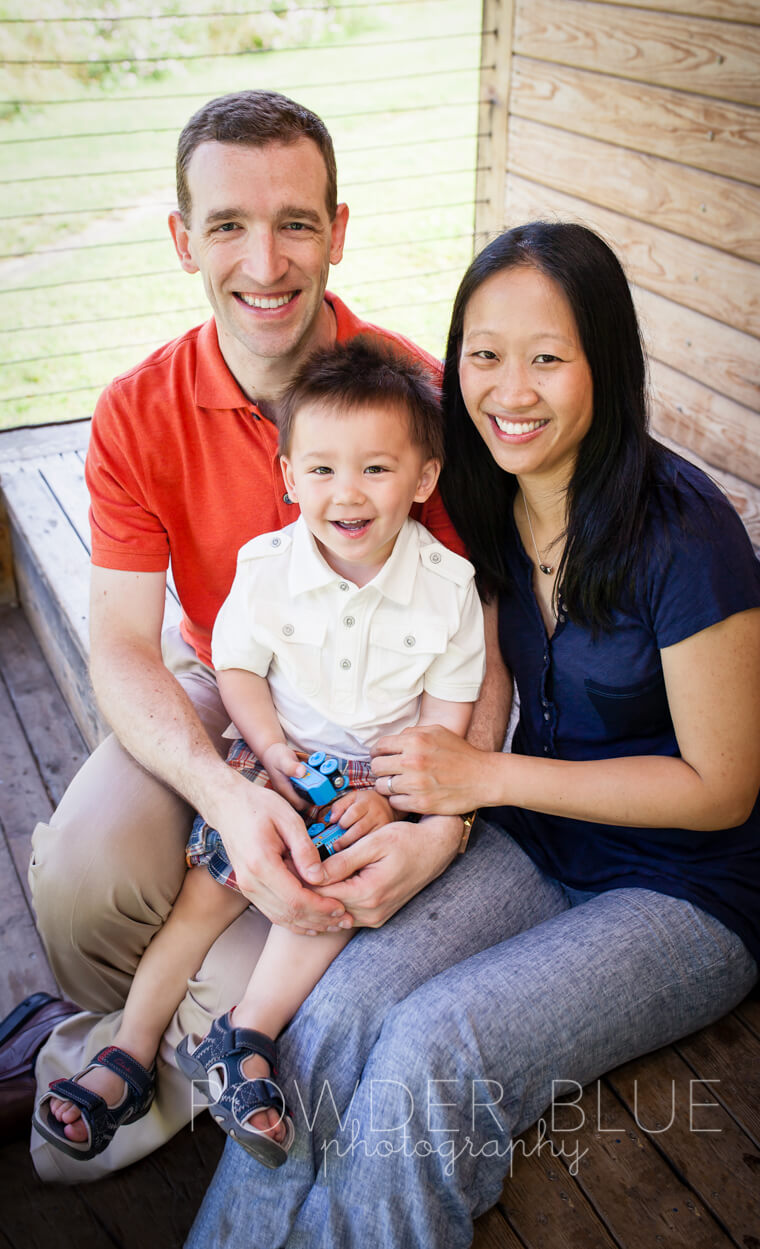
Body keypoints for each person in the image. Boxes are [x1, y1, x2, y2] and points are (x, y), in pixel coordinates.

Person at [185, 222, 760, 1249]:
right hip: (537, 837)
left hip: (687, 893)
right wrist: (430, 799)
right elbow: (462, 651)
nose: (511, 390)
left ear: (607, 357)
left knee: (431, 1049)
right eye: (484, 354)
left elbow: (722, 788)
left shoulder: (685, 534)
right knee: (331, 1010)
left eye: (548, 357)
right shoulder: (480, 493)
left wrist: (481, 776)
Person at [1, 89, 503, 1182]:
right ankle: (186, 1030)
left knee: (333, 904)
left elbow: (482, 626)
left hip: (383, 720)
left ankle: (169, 1047)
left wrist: (444, 820)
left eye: (295, 222)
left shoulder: (413, 399)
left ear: (339, 229)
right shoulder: (140, 409)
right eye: (228, 224)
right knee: (83, 888)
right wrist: (232, 788)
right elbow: (126, 643)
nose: (265, 262)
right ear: (185, 240)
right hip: (237, 686)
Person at [32, 338, 485, 1166]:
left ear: (423, 480)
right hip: (276, 759)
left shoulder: (447, 586)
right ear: (287, 475)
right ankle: (127, 1049)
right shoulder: (267, 566)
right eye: (320, 471)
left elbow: (445, 717)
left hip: (367, 785)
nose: (346, 494)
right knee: (201, 904)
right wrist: (268, 749)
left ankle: (246, 1039)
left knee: (323, 899)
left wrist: (396, 799)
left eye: (376, 471)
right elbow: (236, 665)